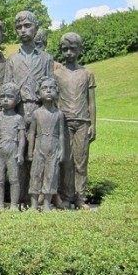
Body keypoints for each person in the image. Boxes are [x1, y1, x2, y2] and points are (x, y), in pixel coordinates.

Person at [54, 32, 95, 210]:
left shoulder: (87, 73)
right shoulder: (57, 74)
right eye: (65, 49)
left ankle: (80, 197)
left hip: (82, 121)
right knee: (65, 161)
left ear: (80, 50)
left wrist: (93, 123)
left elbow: (92, 102)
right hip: (63, 122)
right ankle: (66, 196)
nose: (69, 52)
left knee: (81, 161)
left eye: (72, 49)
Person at [28, 77, 65, 211]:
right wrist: (30, 151)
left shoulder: (59, 114)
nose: (48, 91)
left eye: (52, 88)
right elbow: (31, 133)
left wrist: (62, 150)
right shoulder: (36, 113)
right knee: (36, 175)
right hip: (39, 148)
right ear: (38, 93)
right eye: (44, 88)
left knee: (51, 175)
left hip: (54, 148)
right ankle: (33, 204)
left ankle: (47, 204)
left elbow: (61, 134)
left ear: (57, 92)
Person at [0, 83, 26, 210]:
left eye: (9, 97)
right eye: (3, 97)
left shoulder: (18, 118)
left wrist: (20, 153)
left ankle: (14, 205)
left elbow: (22, 138)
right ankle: (0, 204)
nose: (5, 100)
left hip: (13, 150)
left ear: (17, 100)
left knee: (14, 179)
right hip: (0, 151)